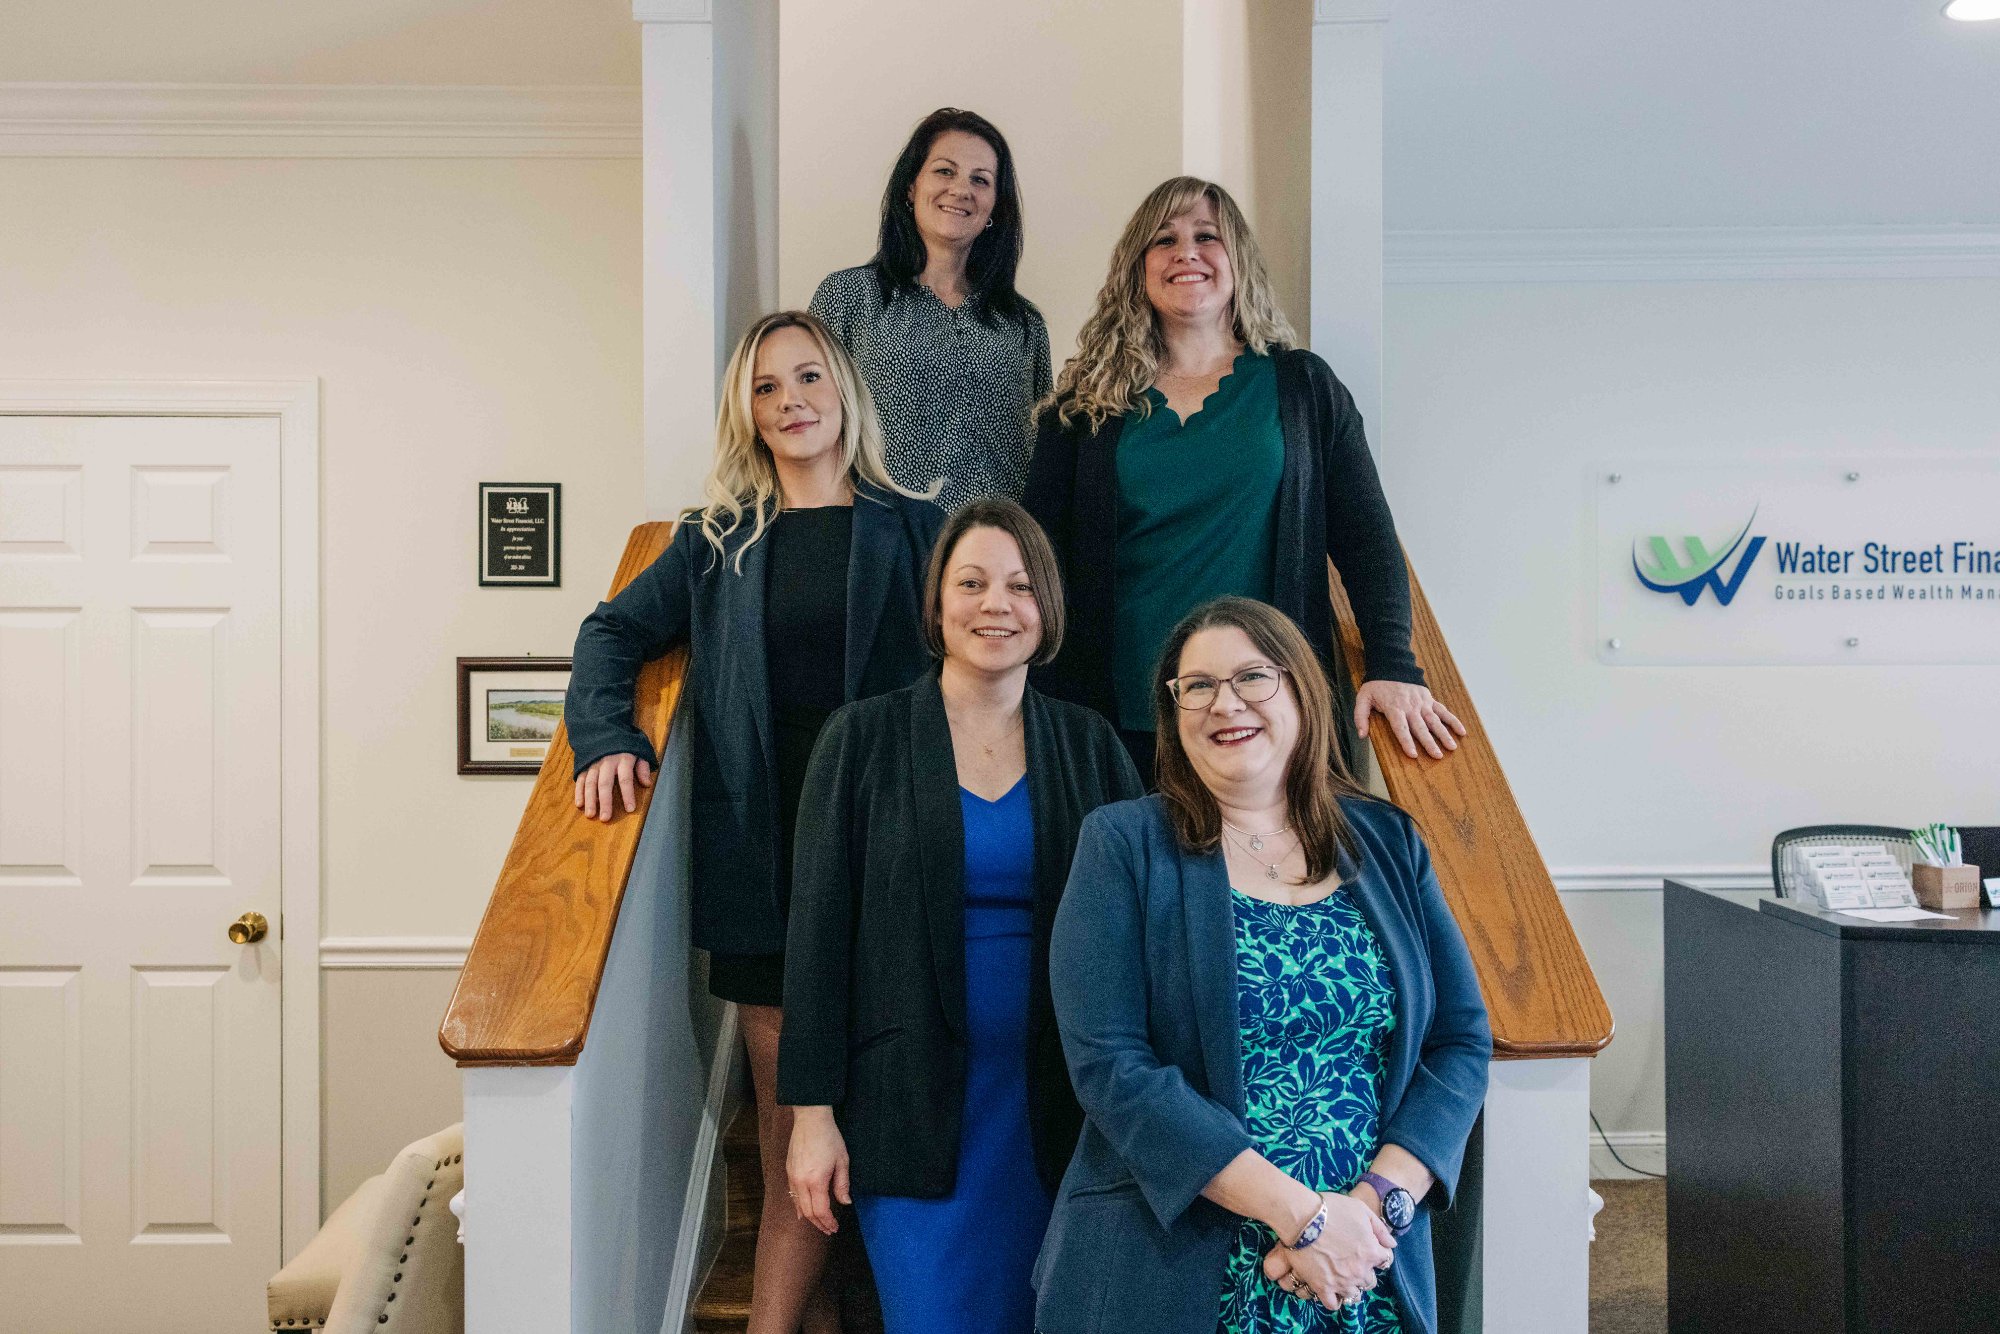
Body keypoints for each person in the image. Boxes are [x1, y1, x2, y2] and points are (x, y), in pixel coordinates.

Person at [565, 310, 942, 1334]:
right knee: (792, 1151)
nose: (791, 401)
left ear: (844, 390)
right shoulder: (713, 540)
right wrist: (605, 735)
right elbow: (609, 633)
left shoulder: (917, 527)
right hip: (762, 876)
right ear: (748, 412)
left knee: (883, 1146)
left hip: (890, 867)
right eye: (766, 387)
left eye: (808, 376)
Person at [1035, 597, 1491, 1334]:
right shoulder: (1123, 844)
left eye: (1253, 677)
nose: (1226, 703)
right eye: (1198, 687)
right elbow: (1112, 1067)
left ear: (1303, 691)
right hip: (1176, 1264)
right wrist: (1301, 1219)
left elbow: (1461, 1040)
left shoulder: (1388, 841)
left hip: (1362, 1266)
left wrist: (1371, 1211)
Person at [779, 498, 1142, 1334]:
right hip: (907, 1111)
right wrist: (811, 1117)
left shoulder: (1089, 746)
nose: (995, 605)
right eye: (971, 582)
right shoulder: (860, 740)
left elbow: (1145, 928)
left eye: (1019, 586)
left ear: (1045, 607)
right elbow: (818, 939)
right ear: (936, 603)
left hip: (1062, 1117)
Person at [1022, 177, 1464, 780]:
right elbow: (1039, 559)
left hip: (1271, 712)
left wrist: (1393, 663)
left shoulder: (1303, 388)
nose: (1187, 252)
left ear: (1239, 262)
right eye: (1164, 240)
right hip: (1117, 715)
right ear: (1137, 267)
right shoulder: (1082, 408)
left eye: (1208, 236)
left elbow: (1366, 537)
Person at [811, 108, 1052, 510]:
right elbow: (811, 432)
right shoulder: (848, 297)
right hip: (885, 543)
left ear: (996, 206)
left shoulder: (1024, 323)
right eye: (945, 171)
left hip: (998, 554)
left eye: (981, 179)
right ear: (910, 186)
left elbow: (1045, 456)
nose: (962, 189)